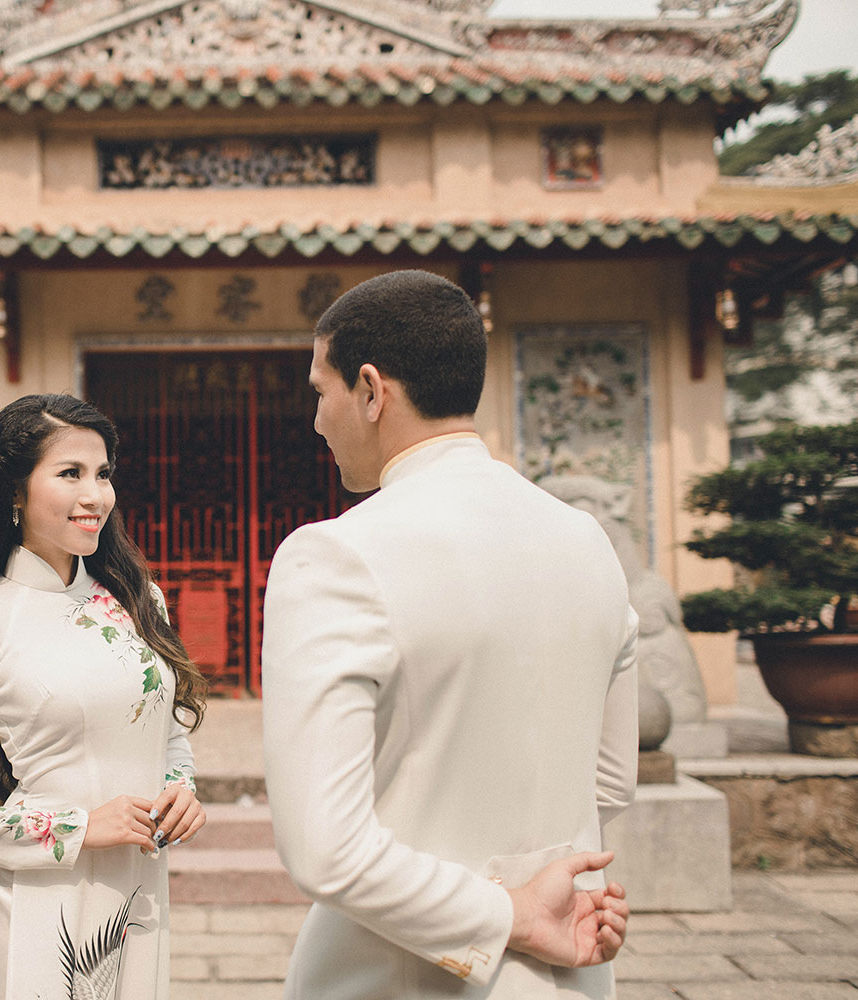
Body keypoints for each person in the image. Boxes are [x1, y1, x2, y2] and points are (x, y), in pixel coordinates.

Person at [261, 270, 638, 999]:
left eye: (320, 392)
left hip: (399, 974)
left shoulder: (336, 555)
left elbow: (324, 849)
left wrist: (506, 915)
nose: (316, 421)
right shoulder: (587, 540)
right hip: (568, 966)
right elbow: (612, 780)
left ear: (371, 390)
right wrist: (535, 893)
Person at [0, 393, 209, 1000]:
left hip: (137, 893)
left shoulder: (140, 600)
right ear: (14, 491)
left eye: (103, 473)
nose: (96, 495)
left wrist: (182, 790)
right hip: (39, 905)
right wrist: (77, 826)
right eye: (70, 473)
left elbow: (167, 732)